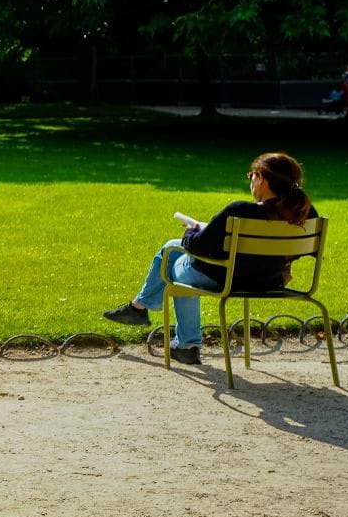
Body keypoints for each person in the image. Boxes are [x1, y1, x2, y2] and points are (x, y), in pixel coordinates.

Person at [102, 151, 318, 366]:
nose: (250, 180)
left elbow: (196, 245)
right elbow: (302, 251)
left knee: (175, 257)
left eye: (250, 175)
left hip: (226, 280)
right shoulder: (306, 213)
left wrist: (191, 230)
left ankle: (181, 340)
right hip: (271, 281)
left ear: (261, 177)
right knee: (172, 249)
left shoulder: (240, 211)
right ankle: (142, 309)